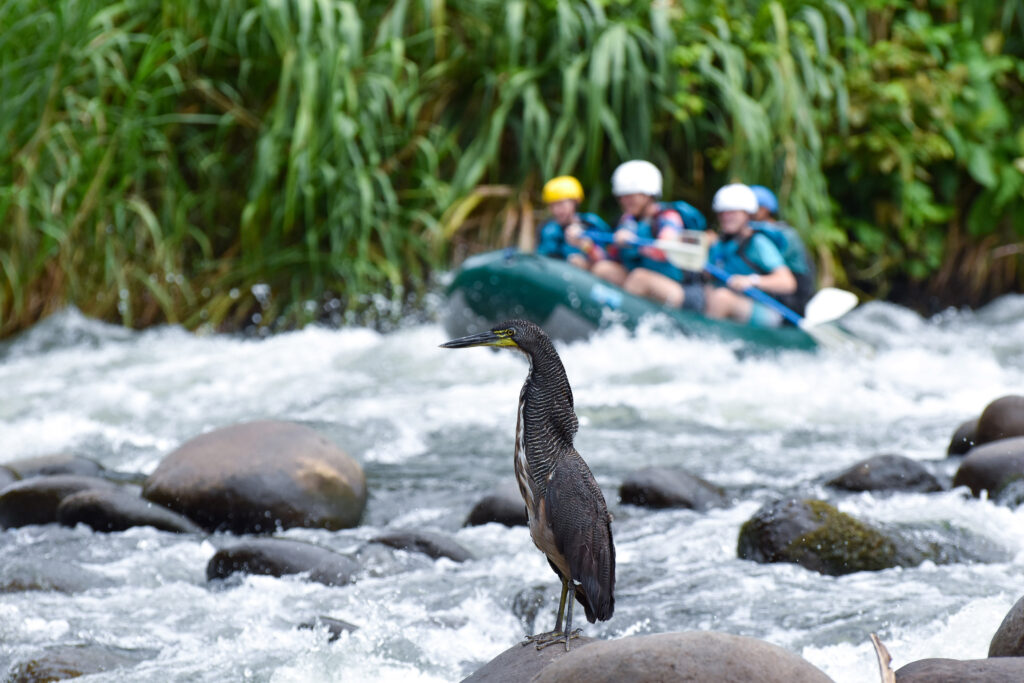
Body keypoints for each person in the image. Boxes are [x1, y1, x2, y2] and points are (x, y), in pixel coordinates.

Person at [591, 160, 705, 312]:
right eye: (622, 197)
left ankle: (620, 321)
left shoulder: (668, 217)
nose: (625, 202)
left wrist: (634, 244)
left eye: (631, 197)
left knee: (640, 278)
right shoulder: (626, 221)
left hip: (677, 289)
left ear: (649, 195)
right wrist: (585, 245)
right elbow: (610, 257)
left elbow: (665, 248)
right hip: (639, 281)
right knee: (603, 268)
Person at [704, 183, 797, 327]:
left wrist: (751, 280)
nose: (726, 217)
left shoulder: (758, 243)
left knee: (721, 298)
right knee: (706, 292)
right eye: (722, 213)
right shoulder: (719, 243)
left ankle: (704, 340)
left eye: (732, 212)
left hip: (766, 310)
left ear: (747, 214)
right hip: (733, 303)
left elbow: (787, 282)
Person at [536, 175, 611, 271]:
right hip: (556, 275)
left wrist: (585, 245)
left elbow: (608, 257)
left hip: (589, 277)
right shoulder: (547, 229)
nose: (556, 210)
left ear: (576, 202)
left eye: (560, 204)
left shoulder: (591, 223)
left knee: (578, 261)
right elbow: (542, 259)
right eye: (552, 205)